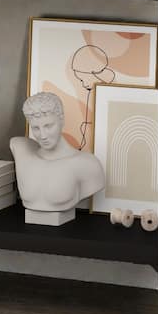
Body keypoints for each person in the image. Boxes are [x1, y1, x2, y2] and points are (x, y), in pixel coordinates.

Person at [10, 92, 105, 226]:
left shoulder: (87, 164)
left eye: (48, 126)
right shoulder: (22, 151)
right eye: (36, 128)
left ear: (62, 121)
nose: (42, 135)